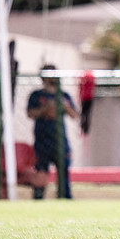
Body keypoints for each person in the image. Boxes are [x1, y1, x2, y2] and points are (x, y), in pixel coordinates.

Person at [27, 64, 80, 199]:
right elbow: (31, 113)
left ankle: (64, 196)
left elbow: (74, 115)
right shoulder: (37, 95)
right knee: (41, 170)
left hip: (60, 139)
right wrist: (46, 108)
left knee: (63, 168)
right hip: (42, 139)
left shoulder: (63, 95)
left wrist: (64, 106)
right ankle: (38, 197)